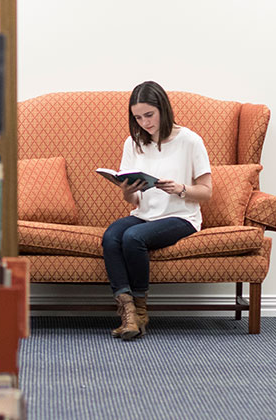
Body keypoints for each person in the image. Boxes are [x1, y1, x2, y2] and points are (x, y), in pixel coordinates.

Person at [104, 81, 212, 340]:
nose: (144, 122)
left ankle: (140, 309)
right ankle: (128, 313)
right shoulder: (133, 143)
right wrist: (128, 187)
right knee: (111, 236)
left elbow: (207, 192)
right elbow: (132, 201)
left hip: (181, 216)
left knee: (134, 238)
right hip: (143, 214)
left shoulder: (190, 140)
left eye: (149, 115)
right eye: (138, 117)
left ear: (163, 108)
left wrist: (180, 188)